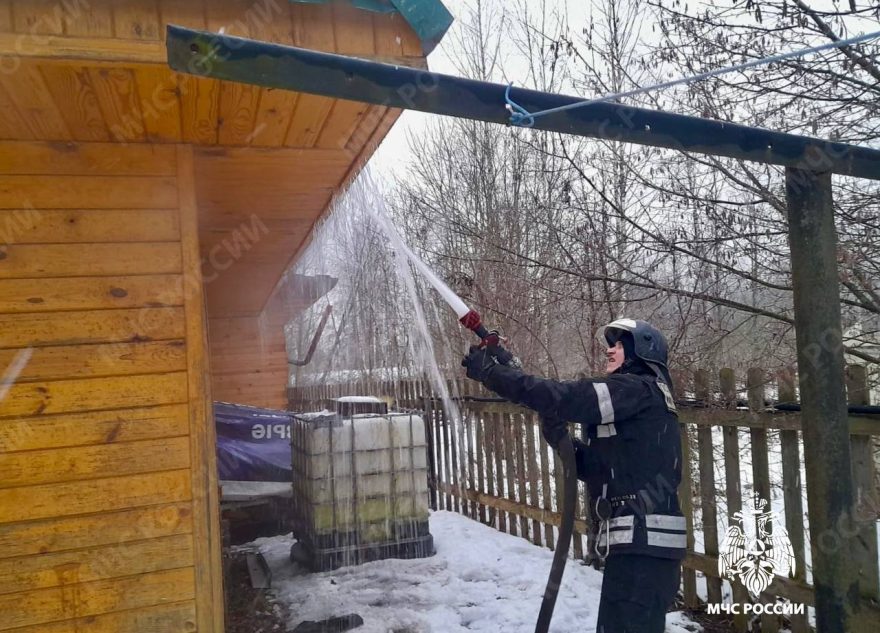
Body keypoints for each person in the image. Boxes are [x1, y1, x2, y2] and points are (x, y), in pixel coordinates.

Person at [461, 318, 685, 633]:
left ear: (643, 353)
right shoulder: (635, 402)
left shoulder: (638, 388)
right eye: (612, 343)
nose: (610, 350)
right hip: (639, 550)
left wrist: (494, 374)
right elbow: (592, 467)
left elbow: (567, 397)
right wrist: (555, 429)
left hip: (645, 549)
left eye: (620, 344)